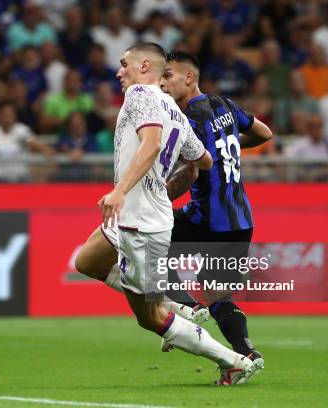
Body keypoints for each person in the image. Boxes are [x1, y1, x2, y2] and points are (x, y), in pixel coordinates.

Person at [75, 43, 261, 385]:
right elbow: (203, 160)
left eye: (124, 65)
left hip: (139, 219)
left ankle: (232, 361)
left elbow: (151, 144)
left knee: (150, 317)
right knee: (87, 261)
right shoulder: (175, 112)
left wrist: (120, 190)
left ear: (145, 66)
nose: (119, 72)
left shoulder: (139, 95)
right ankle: (183, 308)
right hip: (146, 213)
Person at [159, 51, 272, 367]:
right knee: (219, 296)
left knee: (146, 244)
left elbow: (192, 171)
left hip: (206, 218)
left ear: (189, 78)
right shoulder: (225, 105)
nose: (163, 83)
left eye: (168, 76)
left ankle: (186, 311)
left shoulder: (188, 120)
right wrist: (229, 144)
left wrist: (158, 200)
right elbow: (264, 133)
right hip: (240, 220)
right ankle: (248, 352)